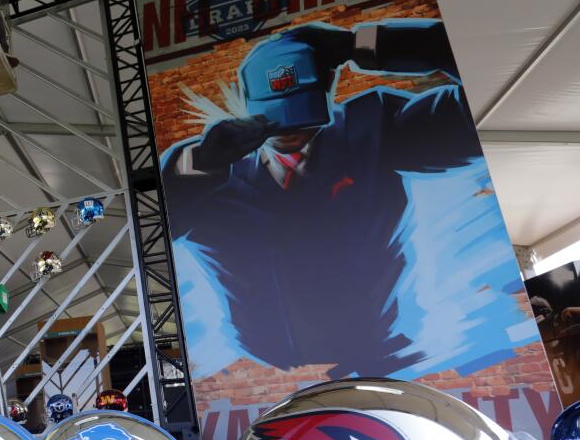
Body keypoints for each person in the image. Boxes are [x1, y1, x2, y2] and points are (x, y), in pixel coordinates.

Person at [161, 19, 483, 378]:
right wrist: (203, 162)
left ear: (327, 88)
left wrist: (365, 44)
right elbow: (155, 232)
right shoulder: (206, 170)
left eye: (300, 113)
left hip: (381, 360)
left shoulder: (373, 128)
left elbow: (483, 104)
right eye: (277, 114)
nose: (289, 131)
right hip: (259, 372)